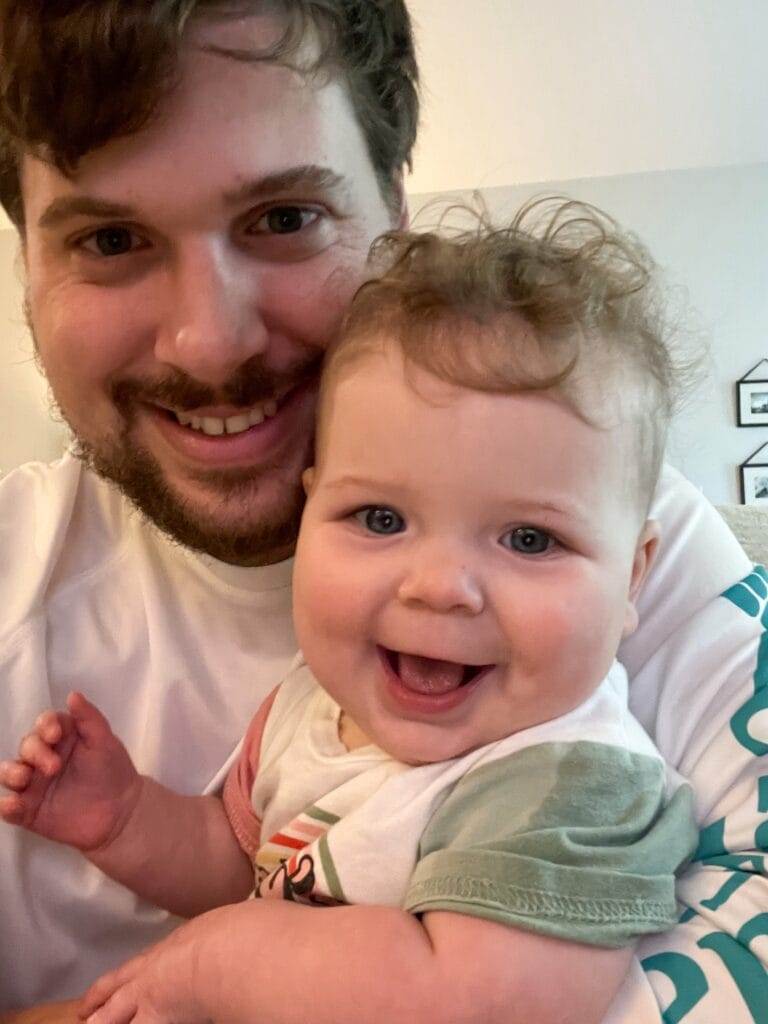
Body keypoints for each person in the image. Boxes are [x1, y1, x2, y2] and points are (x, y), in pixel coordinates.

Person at [0, 3, 764, 1022]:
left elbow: (481, 995)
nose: (208, 342)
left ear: (395, 213)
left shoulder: (569, 745)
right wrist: (128, 816)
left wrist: (213, 969)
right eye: (109, 237)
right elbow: (247, 859)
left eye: (282, 218)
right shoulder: (318, 701)